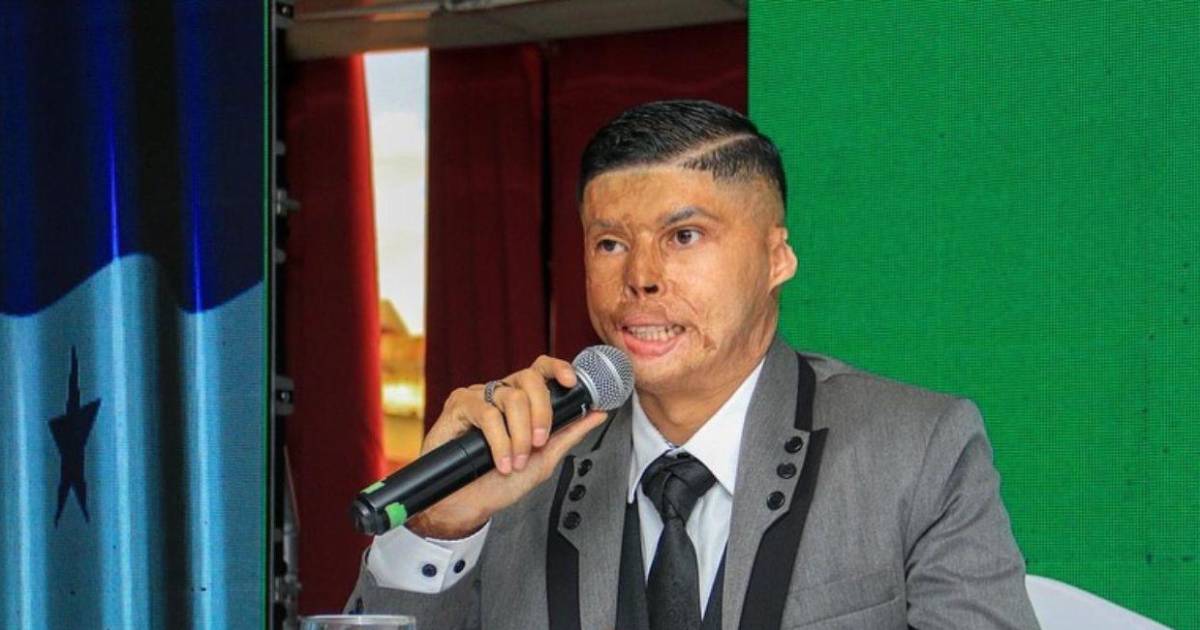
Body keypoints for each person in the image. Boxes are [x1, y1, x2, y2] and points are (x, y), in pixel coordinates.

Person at [347, 100, 1040, 629]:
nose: (641, 278)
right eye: (610, 243)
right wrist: (439, 531)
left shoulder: (917, 449)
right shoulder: (515, 460)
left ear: (776, 258)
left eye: (683, 235)